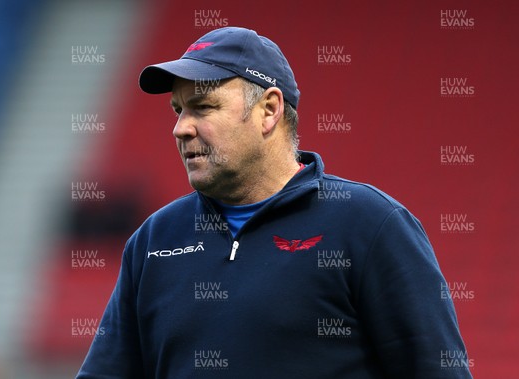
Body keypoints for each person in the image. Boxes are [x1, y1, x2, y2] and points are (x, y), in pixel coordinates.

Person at [76, 26, 473, 378]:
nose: (181, 128)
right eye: (178, 110)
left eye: (203, 107)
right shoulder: (154, 241)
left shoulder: (370, 226)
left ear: (269, 110)